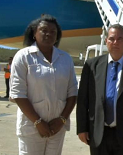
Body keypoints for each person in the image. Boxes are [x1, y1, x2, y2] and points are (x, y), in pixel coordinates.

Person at [77, 24, 123, 155]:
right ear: (106, 41)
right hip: (98, 133)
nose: (115, 42)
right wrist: (82, 128)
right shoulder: (92, 65)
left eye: (120, 39)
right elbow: (83, 100)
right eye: (111, 39)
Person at [9, 15, 78, 155]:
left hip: (57, 127)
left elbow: (72, 92)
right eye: (44, 30)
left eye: (53, 32)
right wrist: (38, 122)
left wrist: (62, 119)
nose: (48, 34)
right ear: (34, 33)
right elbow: (18, 93)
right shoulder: (23, 56)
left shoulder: (66, 59)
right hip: (31, 127)